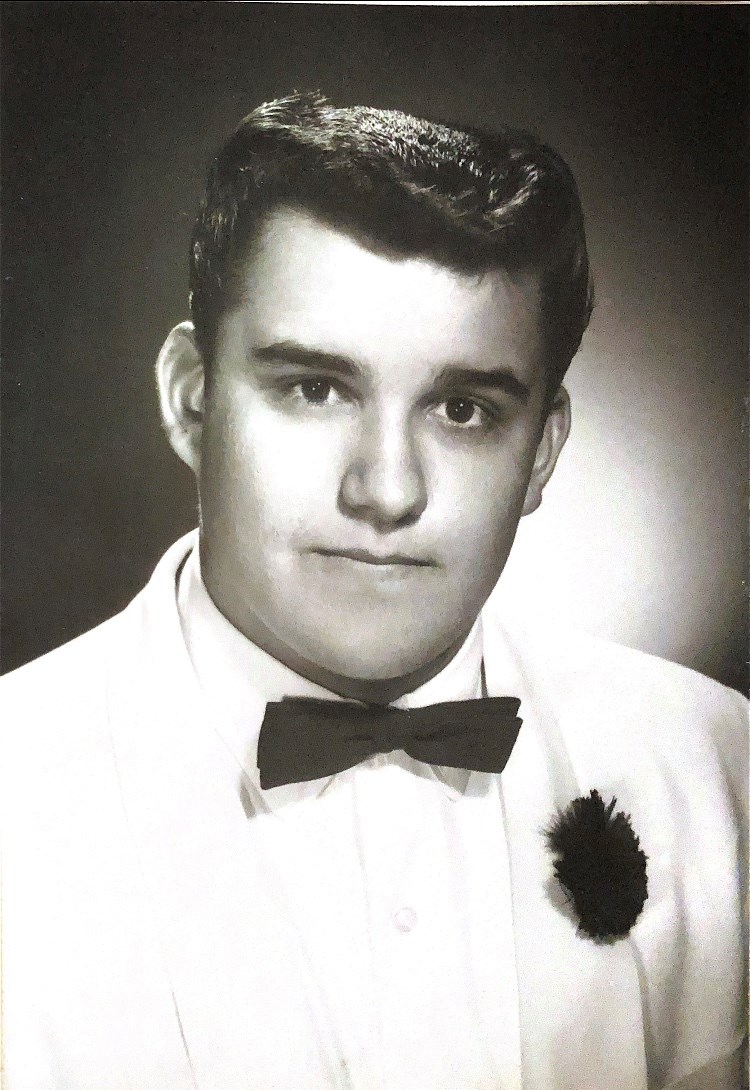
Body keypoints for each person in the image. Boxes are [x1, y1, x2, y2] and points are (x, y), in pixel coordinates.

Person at [1, 92, 746, 1090]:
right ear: (191, 399)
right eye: (315, 388)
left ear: (542, 451)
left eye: (462, 408)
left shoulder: (717, 766)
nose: (387, 490)